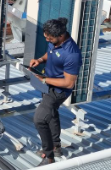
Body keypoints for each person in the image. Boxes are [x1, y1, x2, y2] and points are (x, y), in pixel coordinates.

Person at [29, 18, 82, 166]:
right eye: (46, 37)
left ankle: (49, 156)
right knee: (51, 114)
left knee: (39, 119)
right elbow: (50, 54)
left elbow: (69, 82)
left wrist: (44, 80)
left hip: (58, 91)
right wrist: (39, 60)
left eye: (49, 38)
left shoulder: (72, 54)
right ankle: (56, 146)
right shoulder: (54, 40)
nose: (47, 39)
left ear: (60, 36)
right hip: (48, 84)